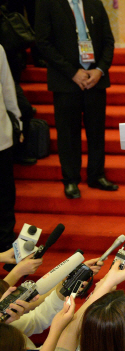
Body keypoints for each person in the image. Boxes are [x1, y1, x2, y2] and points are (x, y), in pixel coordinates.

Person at [35, 0, 117, 199]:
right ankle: (71, 180)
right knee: (68, 134)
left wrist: (99, 70)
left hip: (94, 81)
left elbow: (108, 41)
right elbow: (43, 42)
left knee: (96, 131)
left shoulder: (94, 3)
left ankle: (96, 175)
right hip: (66, 81)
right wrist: (72, 73)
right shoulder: (48, 4)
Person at [0, 44, 22, 253]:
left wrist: (17, 121)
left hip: (1, 136)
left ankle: (6, 243)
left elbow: (8, 87)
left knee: (5, 194)